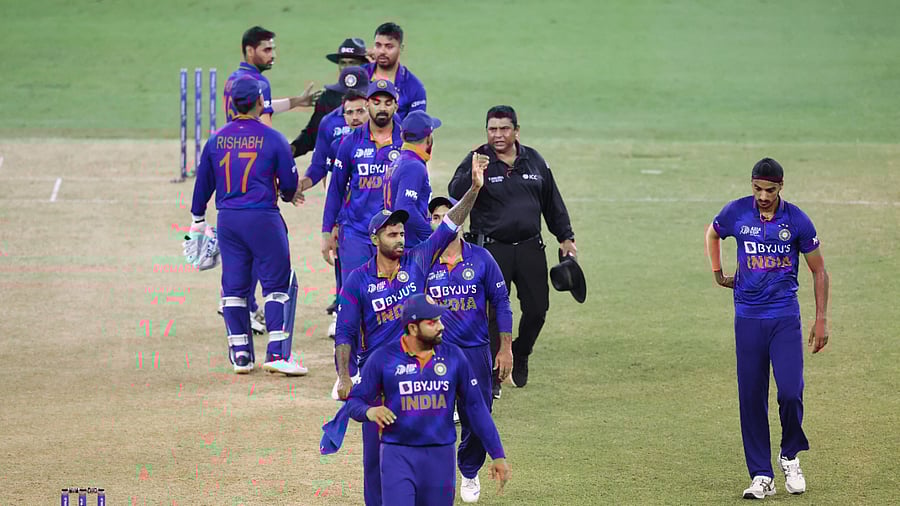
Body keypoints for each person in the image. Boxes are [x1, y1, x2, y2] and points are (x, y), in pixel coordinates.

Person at [331, 154, 489, 506]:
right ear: (375, 239)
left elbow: (450, 223)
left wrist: (474, 189)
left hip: (420, 373)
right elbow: (344, 333)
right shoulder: (357, 281)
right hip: (378, 379)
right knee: (375, 460)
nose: (400, 238)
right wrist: (344, 376)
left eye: (402, 233)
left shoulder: (417, 261)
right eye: (392, 234)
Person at [705, 157, 830, 499]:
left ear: (781, 187)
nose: (763, 196)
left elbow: (819, 270)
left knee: (790, 391)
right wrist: (718, 273)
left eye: (770, 190)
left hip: (784, 319)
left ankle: (790, 456)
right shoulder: (737, 212)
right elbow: (713, 232)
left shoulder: (797, 220)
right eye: (758, 189)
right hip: (747, 318)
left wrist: (820, 319)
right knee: (750, 398)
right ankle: (762, 475)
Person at [448, 105, 577, 398]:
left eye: (504, 128)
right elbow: (454, 194)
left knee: (537, 309)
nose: (498, 135)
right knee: (492, 313)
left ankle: (521, 351)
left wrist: (565, 237)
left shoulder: (534, 160)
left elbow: (552, 201)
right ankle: (494, 375)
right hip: (491, 250)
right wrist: (473, 173)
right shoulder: (477, 159)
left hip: (530, 247)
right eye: (492, 129)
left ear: (516, 131)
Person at [187, 75, 308, 376]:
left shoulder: (216, 140)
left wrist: (198, 219)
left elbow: (203, 184)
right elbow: (289, 184)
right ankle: (277, 353)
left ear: (232, 103)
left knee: (234, 286)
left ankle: (240, 354)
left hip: (228, 219)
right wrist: (289, 194)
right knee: (278, 285)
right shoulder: (273, 138)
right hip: (263, 218)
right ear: (259, 102)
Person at [344, 293, 511, 506]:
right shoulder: (383, 358)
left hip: (440, 459)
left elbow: (476, 407)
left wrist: (497, 454)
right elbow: (354, 401)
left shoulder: (453, 357)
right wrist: (369, 411)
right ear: (413, 328)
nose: (441, 326)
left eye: (439, 320)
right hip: (398, 456)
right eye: (432, 322)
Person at [426, 196, 513, 503]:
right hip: (436, 354)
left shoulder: (482, 258)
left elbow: (501, 302)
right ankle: (435, 475)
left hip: (476, 351)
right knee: (433, 415)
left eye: (447, 215)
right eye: (435, 217)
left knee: (478, 415)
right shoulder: (424, 261)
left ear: (460, 220)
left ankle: (469, 470)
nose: (442, 222)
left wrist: (505, 348)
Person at [321, 79, 403, 286]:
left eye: (387, 103)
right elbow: (336, 189)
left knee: (391, 295)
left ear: (396, 105)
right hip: (356, 233)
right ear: (368, 104)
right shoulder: (350, 142)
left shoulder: (405, 140)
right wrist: (327, 231)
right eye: (376, 102)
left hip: (394, 232)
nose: (382, 108)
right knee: (354, 294)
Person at [224, 26, 321, 128]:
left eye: (273, 50)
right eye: (267, 50)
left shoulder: (232, 79)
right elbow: (265, 130)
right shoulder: (259, 82)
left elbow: (258, 108)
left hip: (232, 136)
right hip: (252, 138)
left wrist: (297, 101)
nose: (273, 55)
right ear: (250, 51)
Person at [290, 38, 369, 157]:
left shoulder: (376, 95)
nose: (346, 68)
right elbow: (312, 133)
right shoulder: (328, 97)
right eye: (343, 63)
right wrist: (289, 151)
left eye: (352, 62)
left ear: (364, 65)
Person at [383, 111, 442, 247]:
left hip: (397, 244)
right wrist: (430, 235)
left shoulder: (397, 163)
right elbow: (405, 206)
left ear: (402, 136)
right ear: (429, 138)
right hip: (411, 247)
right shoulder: (414, 166)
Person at [363, 22, 426, 121]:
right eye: (378, 45)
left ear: (401, 48)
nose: (382, 51)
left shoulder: (414, 86)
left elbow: (416, 125)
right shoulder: (359, 75)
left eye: (389, 46)